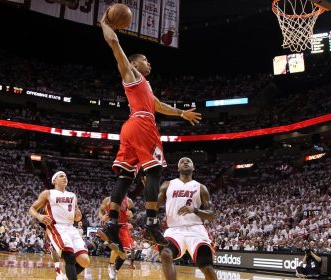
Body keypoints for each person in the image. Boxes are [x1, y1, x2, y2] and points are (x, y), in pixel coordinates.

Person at [98, 10, 202, 256]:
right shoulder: (131, 74)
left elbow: (159, 106)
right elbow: (114, 43)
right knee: (154, 170)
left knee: (125, 177)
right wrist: (104, 23)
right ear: (135, 64)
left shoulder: (144, 85)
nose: (149, 63)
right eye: (145, 59)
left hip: (130, 127)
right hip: (143, 125)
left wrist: (181, 114)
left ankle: (112, 223)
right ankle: (152, 224)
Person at [156, 157, 218, 280]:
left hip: (196, 230)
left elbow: (212, 215)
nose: (185, 162)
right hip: (174, 230)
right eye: (182, 161)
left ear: (193, 168)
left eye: (188, 161)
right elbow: (154, 206)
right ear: (178, 168)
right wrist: (149, 191)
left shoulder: (201, 187)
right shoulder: (167, 185)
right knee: (166, 254)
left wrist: (195, 210)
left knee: (207, 267)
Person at [29, 171, 90, 280]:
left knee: (85, 261)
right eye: (61, 176)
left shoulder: (72, 195)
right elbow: (32, 209)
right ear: (54, 181)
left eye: (66, 176)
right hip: (57, 228)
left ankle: (65, 277)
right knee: (70, 258)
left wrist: (78, 216)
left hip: (71, 228)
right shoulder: (48, 193)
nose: (64, 178)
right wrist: (39, 216)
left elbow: (77, 216)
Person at [98, 196, 135, 280]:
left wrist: (131, 215)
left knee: (123, 253)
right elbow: (100, 210)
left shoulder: (129, 201)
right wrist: (102, 217)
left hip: (123, 227)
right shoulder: (108, 199)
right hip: (112, 226)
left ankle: (114, 269)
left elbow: (133, 215)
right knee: (116, 248)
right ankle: (111, 265)